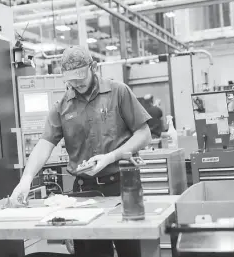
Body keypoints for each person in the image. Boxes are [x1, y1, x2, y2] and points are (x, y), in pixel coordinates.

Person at [10, 45, 152, 257]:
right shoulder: (62, 106)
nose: (76, 84)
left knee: (130, 251)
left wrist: (110, 157)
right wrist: (26, 179)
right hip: (84, 193)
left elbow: (144, 134)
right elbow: (45, 144)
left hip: (122, 187)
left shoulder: (118, 92)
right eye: (71, 81)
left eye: (80, 78)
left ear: (93, 67)